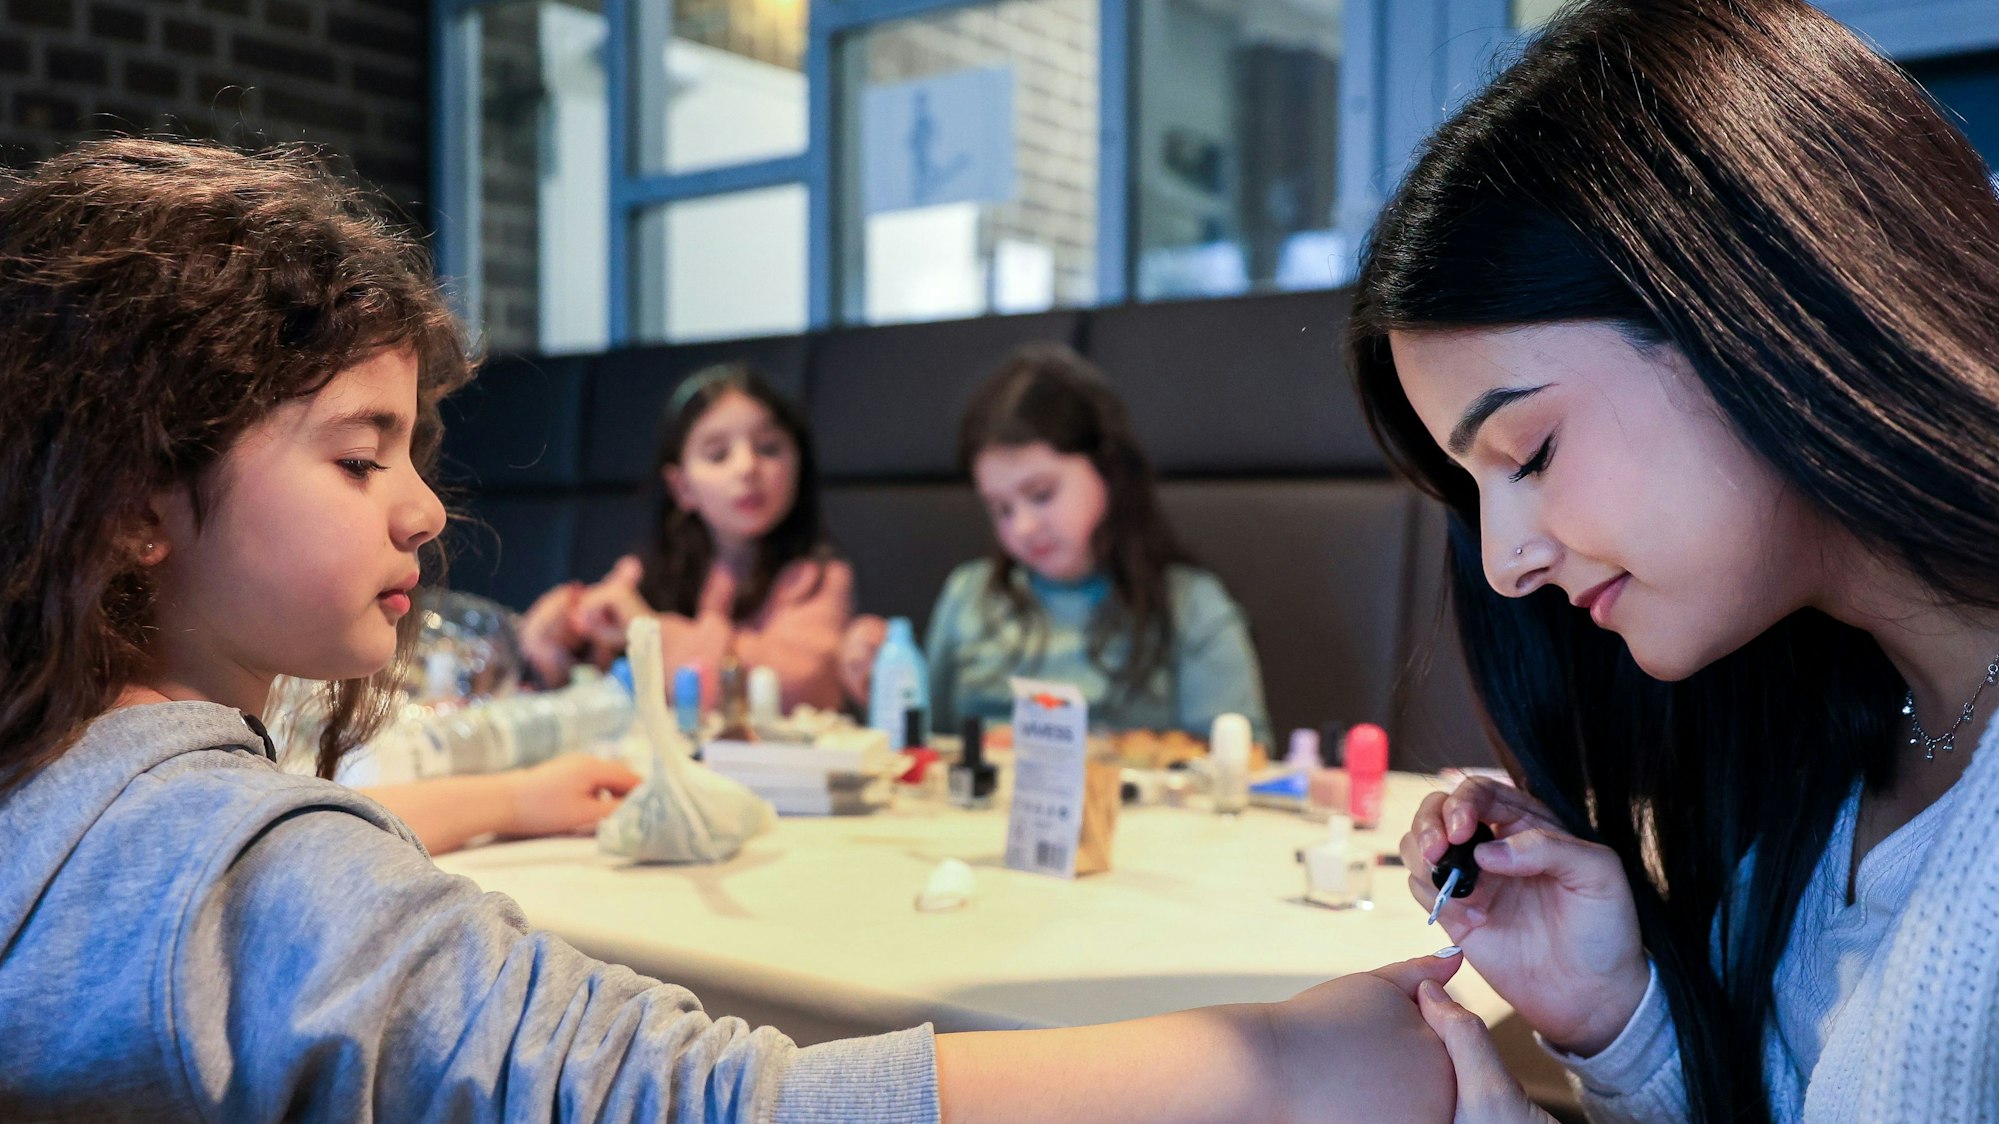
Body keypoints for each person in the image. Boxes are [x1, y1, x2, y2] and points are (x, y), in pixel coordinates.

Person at [0, 136, 1463, 1121]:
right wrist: (1267, 1060)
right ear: (138, 495)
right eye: (358, 454)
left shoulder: (81, 800)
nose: (427, 511)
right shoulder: (249, 874)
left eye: (417, 452)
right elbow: (684, 1097)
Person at [1346, 1, 1999, 1120]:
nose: (1505, 564)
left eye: (1531, 450)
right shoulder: (1834, 732)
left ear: (1766, 307)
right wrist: (1619, 1013)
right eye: (1474, 491)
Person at [915, 343, 1272, 744]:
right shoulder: (969, 596)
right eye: (1001, 509)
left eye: (1041, 493)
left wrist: (1072, 750)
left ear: (1109, 468)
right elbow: (928, 744)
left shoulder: (1190, 607)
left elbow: (1243, 760)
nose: (1024, 527)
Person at [519, 366, 879, 713]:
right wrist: (564, 628)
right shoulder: (651, 567)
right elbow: (591, 644)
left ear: (798, 465)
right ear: (683, 486)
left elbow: (797, 684)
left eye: (768, 448)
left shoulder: (817, 575)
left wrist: (649, 632)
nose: (747, 467)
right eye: (718, 454)